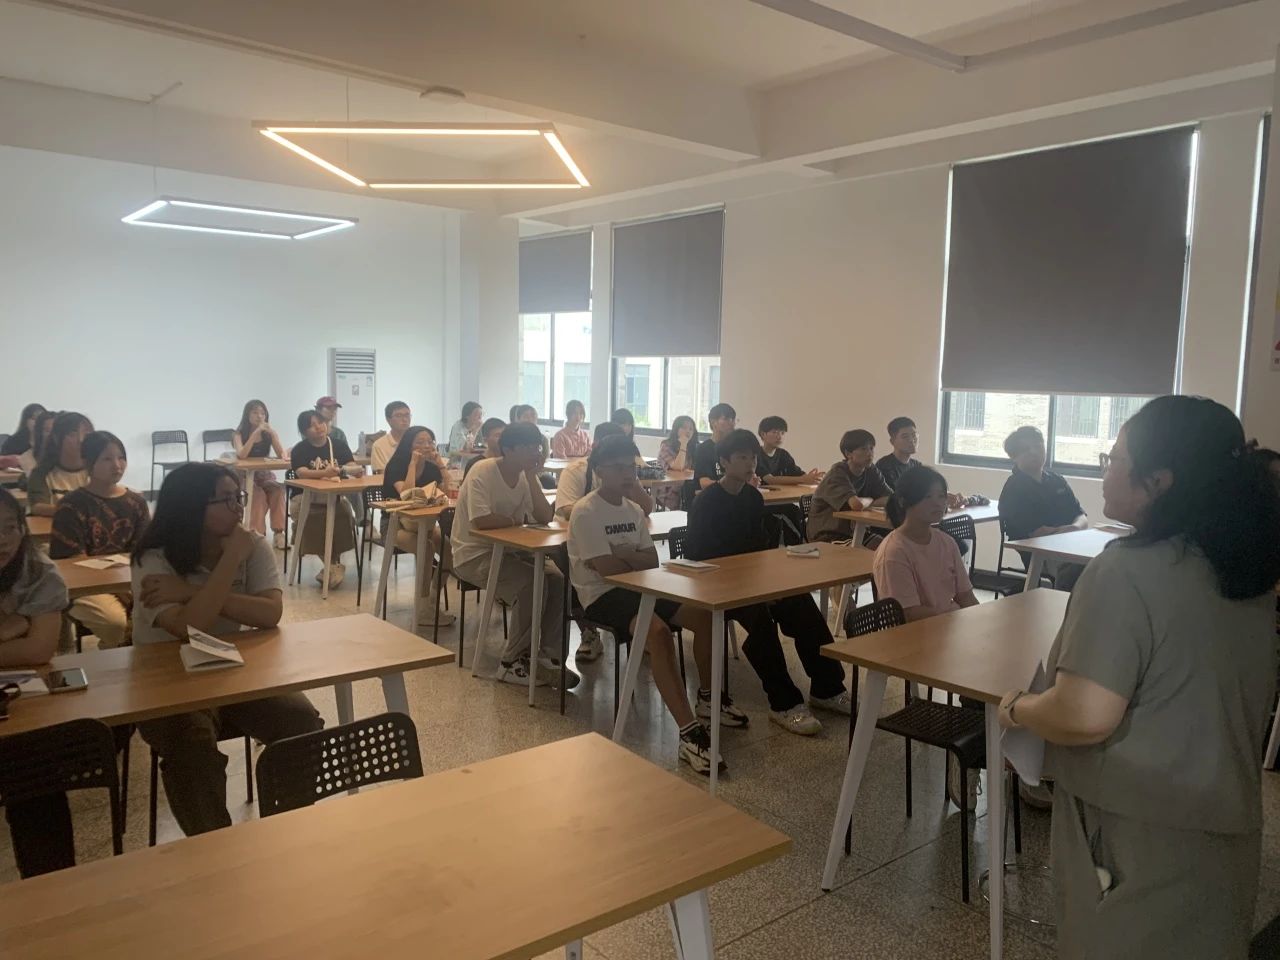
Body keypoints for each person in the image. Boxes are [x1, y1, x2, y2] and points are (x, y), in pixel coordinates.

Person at [997, 396, 1280, 959]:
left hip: (1134, 826)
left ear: (1158, 480)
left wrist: (1017, 707)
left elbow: (1084, 714)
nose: (1106, 469)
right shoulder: (1245, 567)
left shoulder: (1126, 568)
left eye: (1115, 458)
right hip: (1223, 818)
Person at [131, 463, 323, 837]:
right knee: (191, 743)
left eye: (239, 497)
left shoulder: (250, 544)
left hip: (228, 668)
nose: (239, 508)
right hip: (165, 681)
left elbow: (270, 613)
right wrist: (231, 560)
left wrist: (188, 592)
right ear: (191, 507)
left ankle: (289, 831)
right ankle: (215, 848)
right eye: (227, 500)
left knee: (301, 721)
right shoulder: (152, 558)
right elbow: (190, 627)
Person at [567, 435, 723, 775]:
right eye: (618, 468)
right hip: (601, 595)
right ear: (599, 470)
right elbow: (606, 572)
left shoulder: (633, 509)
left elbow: (651, 560)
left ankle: (710, 698)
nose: (628, 475)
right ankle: (689, 732)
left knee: (706, 616)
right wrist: (628, 557)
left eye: (631, 467)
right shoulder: (586, 511)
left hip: (641, 587)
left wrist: (620, 554)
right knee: (658, 633)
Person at [687, 429, 851, 735]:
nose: (750, 464)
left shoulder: (752, 497)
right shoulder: (707, 502)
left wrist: (768, 584)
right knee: (761, 622)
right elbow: (699, 556)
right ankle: (784, 703)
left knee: (803, 606)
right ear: (724, 461)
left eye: (753, 457)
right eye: (742, 458)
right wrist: (751, 587)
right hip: (717, 585)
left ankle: (827, 688)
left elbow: (760, 547)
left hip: (753, 579)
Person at [450, 421, 576, 688]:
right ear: (508, 449)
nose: (535, 452)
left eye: (537, 447)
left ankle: (548, 657)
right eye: (528, 447)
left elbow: (544, 516)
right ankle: (511, 662)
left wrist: (531, 476)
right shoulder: (483, 471)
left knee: (557, 580)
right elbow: (481, 521)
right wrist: (515, 521)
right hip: (474, 555)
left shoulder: (524, 476)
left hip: (511, 553)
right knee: (531, 584)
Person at [0, 486, 76, 877]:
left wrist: (23, 634)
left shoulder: (38, 572)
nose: (3, 540)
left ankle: (52, 889)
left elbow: (39, 650)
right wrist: (14, 627)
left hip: (23, 700)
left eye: (10, 528)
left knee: (36, 774)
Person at [48, 431, 149, 649]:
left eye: (121, 457)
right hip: (85, 587)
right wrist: (116, 587)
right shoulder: (71, 505)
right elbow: (72, 563)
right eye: (107, 459)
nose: (117, 465)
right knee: (115, 623)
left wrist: (127, 585)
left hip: (128, 580)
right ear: (88, 462)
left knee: (160, 613)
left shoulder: (136, 502)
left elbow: (142, 551)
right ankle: (114, 661)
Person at [998, 425, 1088, 590]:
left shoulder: (1056, 480)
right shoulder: (1014, 488)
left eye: (1038, 446)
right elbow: (1036, 532)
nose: (1033, 452)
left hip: (1069, 543)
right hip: (1039, 550)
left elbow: (1080, 515)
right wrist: (1069, 531)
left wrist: (1075, 527)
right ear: (1014, 456)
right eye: (1026, 449)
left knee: (1106, 558)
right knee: (1080, 568)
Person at [382, 426, 454, 627]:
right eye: (420, 442)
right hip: (395, 524)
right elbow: (407, 495)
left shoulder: (431, 468)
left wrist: (441, 465)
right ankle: (422, 609)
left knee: (449, 551)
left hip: (425, 523)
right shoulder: (397, 464)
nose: (426, 446)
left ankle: (431, 599)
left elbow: (447, 492)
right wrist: (413, 464)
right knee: (426, 548)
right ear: (409, 445)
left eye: (430, 442)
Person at [289, 409, 359, 590]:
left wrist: (349, 469)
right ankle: (333, 566)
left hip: (333, 497)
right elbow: (302, 473)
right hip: (304, 497)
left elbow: (352, 465)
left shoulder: (338, 445)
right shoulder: (300, 449)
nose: (318, 427)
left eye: (320, 422)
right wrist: (325, 473)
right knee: (314, 519)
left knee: (343, 513)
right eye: (311, 426)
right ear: (304, 431)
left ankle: (331, 567)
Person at [806, 429, 892, 542]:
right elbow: (856, 505)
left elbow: (891, 498)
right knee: (873, 551)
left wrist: (866, 503)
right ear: (848, 454)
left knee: (887, 545)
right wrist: (870, 500)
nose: (869, 453)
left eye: (871, 448)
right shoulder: (837, 473)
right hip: (827, 534)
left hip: (855, 531)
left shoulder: (871, 470)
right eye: (864, 449)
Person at [554, 423, 652, 520]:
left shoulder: (626, 470)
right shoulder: (575, 471)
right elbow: (568, 511)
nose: (616, 453)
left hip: (613, 527)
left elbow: (647, 509)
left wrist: (632, 480)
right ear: (594, 447)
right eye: (610, 449)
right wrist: (612, 513)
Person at [232, 400, 287, 549]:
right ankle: (256, 535)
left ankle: (279, 533)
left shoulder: (268, 434)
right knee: (257, 495)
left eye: (263, 413)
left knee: (277, 490)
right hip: (246, 476)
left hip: (264, 474)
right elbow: (242, 454)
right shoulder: (238, 434)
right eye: (255, 412)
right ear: (247, 414)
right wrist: (255, 433)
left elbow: (282, 455)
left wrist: (273, 434)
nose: (259, 416)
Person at [27, 412, 93, 517]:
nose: (81, 440)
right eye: (72, 434)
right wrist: (76, 512)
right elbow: (38, 507)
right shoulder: (42, 473)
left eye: (86, 435)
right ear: (56, 438)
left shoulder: (96, 471)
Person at [756, 416, 823, 486]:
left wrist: (813, 478)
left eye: (782, 433)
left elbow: (798, 474)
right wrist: (803, 479)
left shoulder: (783, 454)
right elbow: (770, 480)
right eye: (775, 432)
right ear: (763, 434)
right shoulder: (755, 454)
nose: (780, 437)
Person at [693, 403, 740, 490]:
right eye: (726, 419)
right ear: (713, 422)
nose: (731, 423)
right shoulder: (703, 449)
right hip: (713, 494)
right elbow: (704, 483)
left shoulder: (735, 448)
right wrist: (730, 484)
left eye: (733, 419)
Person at [657, 415, 699, 509]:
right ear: (676, 429)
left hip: (687, 490)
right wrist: (683, 444)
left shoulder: (694, 447)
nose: (688, 431)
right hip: (668, 491)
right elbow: (678, 467)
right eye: (684, 427)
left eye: (691, 429)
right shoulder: (666, 446)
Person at [876, 417, 922, 491]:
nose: (911, 440)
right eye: (905, 436)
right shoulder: (884, 466)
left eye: (914, 435)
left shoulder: (917, 465)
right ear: (892, 441)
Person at [371, 400, 411, 473]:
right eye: (399, 416)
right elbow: (383, 475)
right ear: (388, 420)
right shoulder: (379, 445)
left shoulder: (417, 441)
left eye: (407, 415)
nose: (405, 419)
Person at [18, 410, 57, 478]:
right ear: (39, 433)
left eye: (55, 430)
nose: (52, 435)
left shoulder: (68, 456)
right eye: (47, 430)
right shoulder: (27, 457)